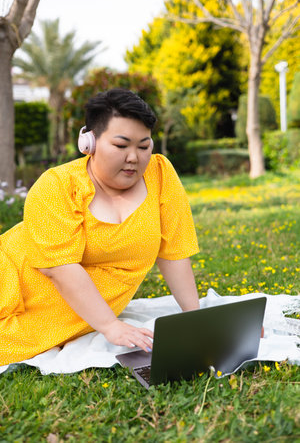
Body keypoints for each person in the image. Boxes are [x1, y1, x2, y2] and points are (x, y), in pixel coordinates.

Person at [0, 88, 199, 366]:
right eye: (121, 145)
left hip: (72, 312)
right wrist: (110, 326)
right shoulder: (58, 185)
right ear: (89, 143)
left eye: (144, 146)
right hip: (12, 281)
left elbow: (174, 252)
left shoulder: (160, 174)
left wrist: (198, 320)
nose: (134, 157)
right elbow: (60, 267)